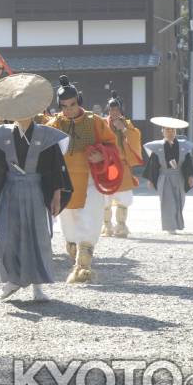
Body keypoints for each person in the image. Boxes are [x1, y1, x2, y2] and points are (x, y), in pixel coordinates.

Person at [0, 73, 71, 301]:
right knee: (6, 236)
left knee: (37, 237)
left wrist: (56, 196)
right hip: (10, 190)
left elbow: (54, 169)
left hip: (36, 190)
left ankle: (38, 285)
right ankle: (12, 280)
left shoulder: (46, 136)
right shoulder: (0, 136)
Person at [45, 76, 119, 283]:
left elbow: (112, 145)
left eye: (73, 104)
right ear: (59, 106)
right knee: (68, 226)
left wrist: (101, 154)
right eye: (65, 106)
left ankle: (83, 267)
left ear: (79, 101)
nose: (69, 109)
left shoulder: (95, 122)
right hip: (64, 184)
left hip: (89, 181)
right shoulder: (53, 124)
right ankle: (76, 262)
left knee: (90, 221)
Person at [142, 117, 193, 234]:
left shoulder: (183, 146)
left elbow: (187, 163)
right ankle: (170, 227)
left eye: (172, 130)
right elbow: (154, 164)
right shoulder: (157, 147)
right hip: (164, 176)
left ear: (176, 132)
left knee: (180, 200)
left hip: (179, 176)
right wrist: (151, 179)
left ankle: (177, 224)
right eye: (167, 130)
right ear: (162, 132)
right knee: (168, 202)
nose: (170, 133)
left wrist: (190, 176)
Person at [101, 92, 143, 238]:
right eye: (111, 110)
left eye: (116, 110)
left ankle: (121, 225)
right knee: (105, 197)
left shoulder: (126, 124)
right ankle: (107, 225)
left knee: (123, 196)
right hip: (108, 165)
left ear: (120, 111)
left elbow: (135, 136)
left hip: (123, 165)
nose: (113, 112)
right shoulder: (102, 123)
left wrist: (123, 129)